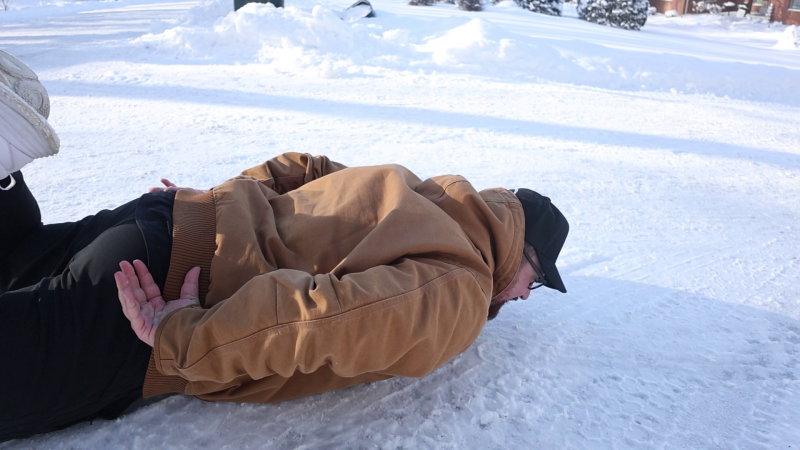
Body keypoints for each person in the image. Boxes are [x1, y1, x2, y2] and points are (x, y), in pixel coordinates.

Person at [0, 50, 569, 442]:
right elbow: (326, 318)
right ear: (522, 252)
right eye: (535, 282)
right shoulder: (463, 288)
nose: (523, 297)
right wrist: (179, 338)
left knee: (14, 256)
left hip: (161, 223)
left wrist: (215, 201)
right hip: (162, 293)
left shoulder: (424, 194)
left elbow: (304, 167)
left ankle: (6, 158)